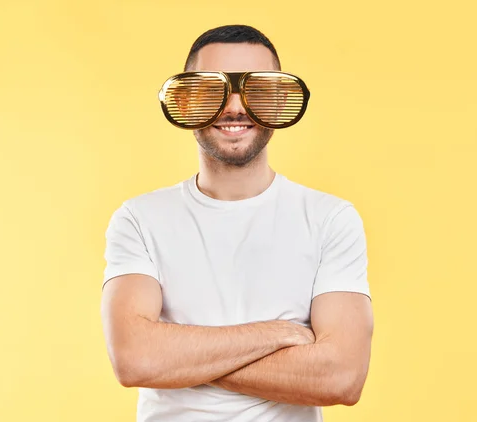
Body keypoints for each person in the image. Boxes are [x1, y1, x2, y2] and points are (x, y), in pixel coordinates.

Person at [101, 24, 374, 422]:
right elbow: (134, 359)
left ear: (278, 100)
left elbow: (342, 377)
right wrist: (277, 334)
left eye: (257, 89)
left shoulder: (331, 219)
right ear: (187, 100)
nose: (235, 107)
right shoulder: (139, 219)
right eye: (212, 90)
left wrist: (181, 360)